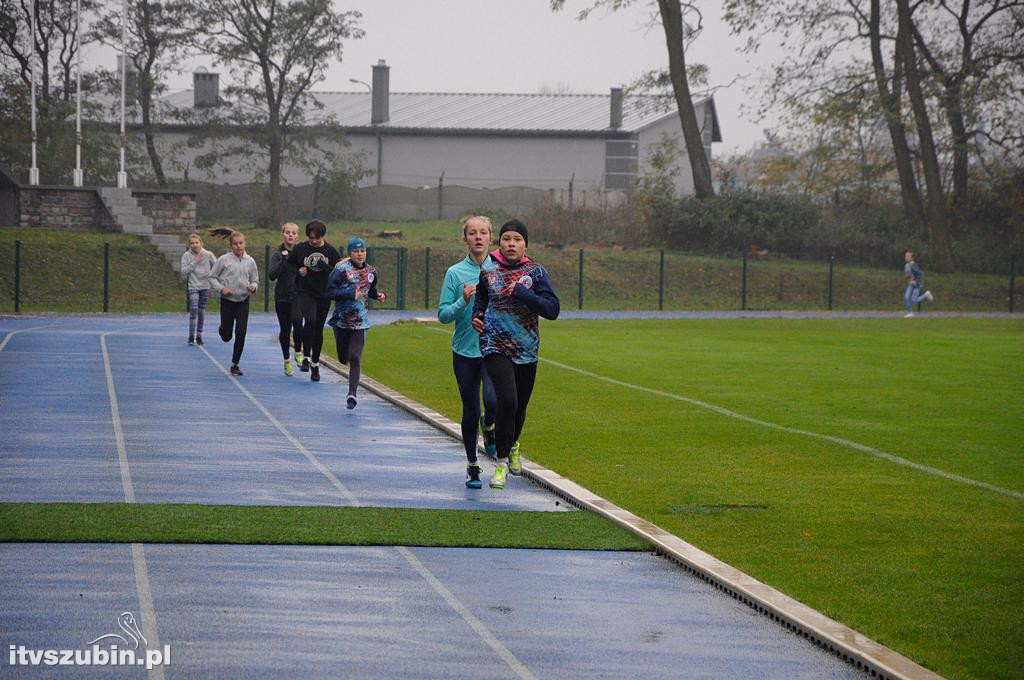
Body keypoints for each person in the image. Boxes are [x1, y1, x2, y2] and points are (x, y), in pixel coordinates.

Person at [472, 219, 559, 489]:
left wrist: (523, 293)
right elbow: (482, 298)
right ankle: (500, 465)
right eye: (507, 238)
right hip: (494, 345)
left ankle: (513, 445)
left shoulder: (536, 273)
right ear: (500, 243)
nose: (511, 243)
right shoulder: (489, 271)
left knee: (519, 407)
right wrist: (477, 315)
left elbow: (552, 309)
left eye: (517, 239)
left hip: (526, 348)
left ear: (525, 244)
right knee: (506, 400)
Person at [438, 215, 498, 489]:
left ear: (490, 238)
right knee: (471, 409)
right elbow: (443, 315)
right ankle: (473, 464)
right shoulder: (455, 273)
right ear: (465, 238)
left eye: (483, 232)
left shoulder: (500, 269)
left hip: (494, 348)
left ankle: (491, 425)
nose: (478, 237)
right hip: (465, 351)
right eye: (472, 233)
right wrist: (463, 300)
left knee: (493, 401)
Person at [326, 237, 386, 409]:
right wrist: (350, 294)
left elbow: (370, 290)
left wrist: (379, 295)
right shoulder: (341, 270)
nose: (360, 254)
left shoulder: (371, 271)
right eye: (356, 251)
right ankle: (345, 363)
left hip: (360, 321)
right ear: (350, 253)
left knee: (355, 357)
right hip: (341, 321)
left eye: (362, 251)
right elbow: (330, 292)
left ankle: (352, 394)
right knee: (343, 358)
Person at [287, 220, 342, 382]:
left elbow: (339, 273)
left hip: (324, 294)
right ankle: (305, 356)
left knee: (318, 329)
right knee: (309, 320)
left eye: (316, 238)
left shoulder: (330, 251)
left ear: (322, 236)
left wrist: (325, 266)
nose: (313, 241)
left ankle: (315, 365)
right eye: (311, 238)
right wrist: (298, 271)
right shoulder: (301, 248)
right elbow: (288, 264)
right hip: (306, 291)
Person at [208, 228, 258, 376]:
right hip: (228, 301)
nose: (238, 246)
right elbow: (211, 277)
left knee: (241, 332)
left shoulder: (250, 261)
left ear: (245, 244)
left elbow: (255, 280)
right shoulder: (224, 260)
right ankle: (222, 328)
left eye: (241, 243)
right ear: (231, 245)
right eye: (235, 244)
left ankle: (235, 364)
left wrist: (253, 287)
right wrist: (221, 288)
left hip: (243, 300)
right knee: (227, 336)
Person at [268, 222, 305, 376]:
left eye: (293, 233)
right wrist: (284, 261)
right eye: (287, 232)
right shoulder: (277, 254)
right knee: (285, 329)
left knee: (298, 321)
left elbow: (305, 271)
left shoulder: (300, 253)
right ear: (283, 234)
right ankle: (287, 361)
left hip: (297, 294)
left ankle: (298, 352)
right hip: (282, 297)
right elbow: (272, 275)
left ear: (297, 236)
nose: (290, 235)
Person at [179, 232, 216, 346]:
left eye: (196, 242)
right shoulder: (186, 256)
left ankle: (199, 335)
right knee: (194, 309)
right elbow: (183, 272)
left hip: (205, 286)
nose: (194, 245)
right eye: (192, 243)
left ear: (201, 243)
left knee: (201, 311)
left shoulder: (207, 254)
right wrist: (195, 262)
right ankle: (191, 336)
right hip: (193, 286)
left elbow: (218, 265)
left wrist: (211, 272)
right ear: (189, 245)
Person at [903, 250, 934, 318]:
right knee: (906, 297)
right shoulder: (906, 265)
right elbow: (908, 275)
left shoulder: (914, 265)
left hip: (917, 285)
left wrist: (916, 281)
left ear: (912, 258)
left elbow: (920, 274)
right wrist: (908, 279)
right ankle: (910, 313)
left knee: (914, 300)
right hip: (910, 284)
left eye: (908, 256)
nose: (906, 257)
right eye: (905, 256)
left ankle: (926, 295)